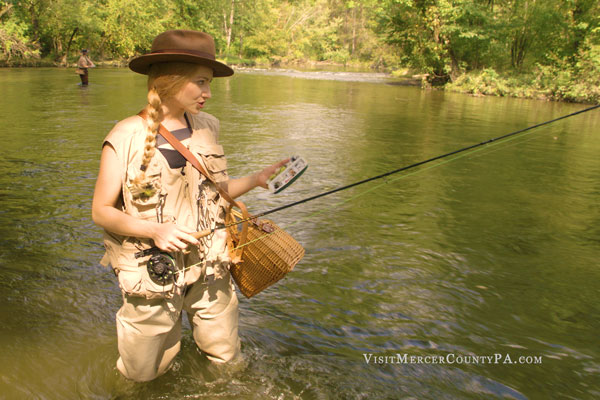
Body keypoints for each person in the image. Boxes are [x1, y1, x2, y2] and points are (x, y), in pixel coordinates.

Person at [91, 30, 287, 382]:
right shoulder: (124, 136)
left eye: (209, 83)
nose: (208, 93)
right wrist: (154, 229)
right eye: (200, 82)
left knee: (227, 360)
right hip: (153, 276)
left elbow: (215, 190)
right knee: (140, 374)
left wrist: (256, 179)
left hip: (212, 267)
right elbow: (101, 211)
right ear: (169, 80)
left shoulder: (209, 127)